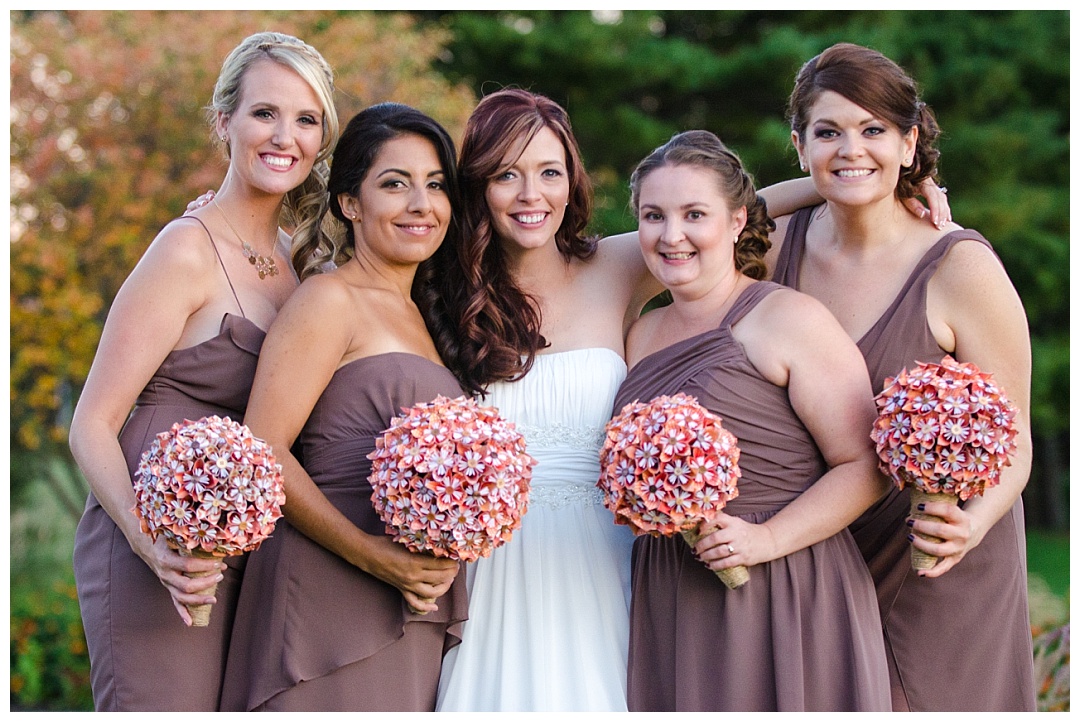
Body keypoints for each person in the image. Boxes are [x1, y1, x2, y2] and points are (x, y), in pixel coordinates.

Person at [434, 89, 847, 712]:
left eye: (549, 173)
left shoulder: (613, 265)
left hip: (611, 559)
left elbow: (723, 210)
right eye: (506, 175)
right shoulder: (442, 291)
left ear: (571, 182)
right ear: (476, 185)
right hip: (495, 569)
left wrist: (857, 188)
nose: (531, 195)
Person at [67, 31, 337, 711]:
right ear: (225, 123)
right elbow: (92, 424)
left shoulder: (301, 260)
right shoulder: (185, 250)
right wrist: (152, 543)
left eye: (306, 119)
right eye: (264, 113)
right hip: (155, 553)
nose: (285, 136)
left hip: (252, 557)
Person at [770, 42, 1035, 711]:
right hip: (819, 555)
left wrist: (972, 525)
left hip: (938, 561)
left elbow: (1017, 438)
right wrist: (840, 175)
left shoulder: (961, 267)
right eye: (828, 132)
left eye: (875, 132)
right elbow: (718, 211)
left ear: (911, 141)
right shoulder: (771, 250)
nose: (851, 148)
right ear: (798, 145)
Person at [616, 130, 891, 711]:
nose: (672, 236)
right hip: (672, 592)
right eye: (652, 215)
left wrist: (764, 539)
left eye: (695, 214)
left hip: (788, 586)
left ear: (738, 220)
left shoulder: (787, 318)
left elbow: (865, 465)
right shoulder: (638, 334)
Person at [218, 103, 472, 712]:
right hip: (329, 592)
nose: (421, 204)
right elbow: (262, 449)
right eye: (395, 184)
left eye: (436, 185)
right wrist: (376, 558)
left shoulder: (427, 318)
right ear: (348, 204)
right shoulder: (329, 299)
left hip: (409, 600)